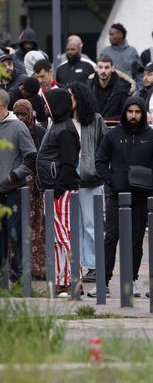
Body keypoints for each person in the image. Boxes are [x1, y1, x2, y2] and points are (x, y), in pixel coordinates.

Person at [92, 96, 153, 298]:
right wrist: (112, 182)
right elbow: (100, 161)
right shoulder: (113, 135)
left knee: (136, 241)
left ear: (143, 114)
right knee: (111, 237)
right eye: (130, 111)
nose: (133, 116)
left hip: (141, 198)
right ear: (125, 112)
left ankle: (132, 280)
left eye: (137, 112)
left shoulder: (150, 136)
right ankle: (104, 282)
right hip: (116, 196)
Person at [36, 89, 80, 296]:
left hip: (60, 192)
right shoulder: (56, 126)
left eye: (47, 104)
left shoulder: (65, 130)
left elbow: (69, 164)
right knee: (56, 238)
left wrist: (57, 190)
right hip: (51, 189)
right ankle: (62, 281)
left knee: (64, 237)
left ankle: (74, 280)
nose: (44, 108)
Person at [0, 89, 36, 284]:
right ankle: (1, 278)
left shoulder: (18, 128)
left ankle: (18, 279)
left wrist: (14, 175)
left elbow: (32, 157)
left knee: (15, 236)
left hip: (14, 190)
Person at [67, 82, 107, 283]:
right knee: (77, 226)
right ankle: (81, 264)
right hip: (71, 178)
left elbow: (105, 145)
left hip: (91, 178)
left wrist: (99, 168)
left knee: (92, 224)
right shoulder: (64, 120)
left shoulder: (95, 120)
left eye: (71, 96)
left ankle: (95, 265)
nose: (69, 99)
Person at [12, 98, 47, 279]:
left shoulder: (39, 132)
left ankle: (36, 267)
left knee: (35, 225)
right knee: (16, 225)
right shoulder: (10, 130)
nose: (20, 118)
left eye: (23, 114)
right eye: (16, 114)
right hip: (15, 183)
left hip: (34, 186)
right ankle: (16, 267)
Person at [88, 55, 131, 119]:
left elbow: (125, 114)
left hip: (113, 127)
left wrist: (103, 121)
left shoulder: (122, 89)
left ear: (112, 69)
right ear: (96, 68)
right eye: (100, 67)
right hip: (92, 127)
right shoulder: (89, 87)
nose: (103, 71)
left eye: (107, 67)